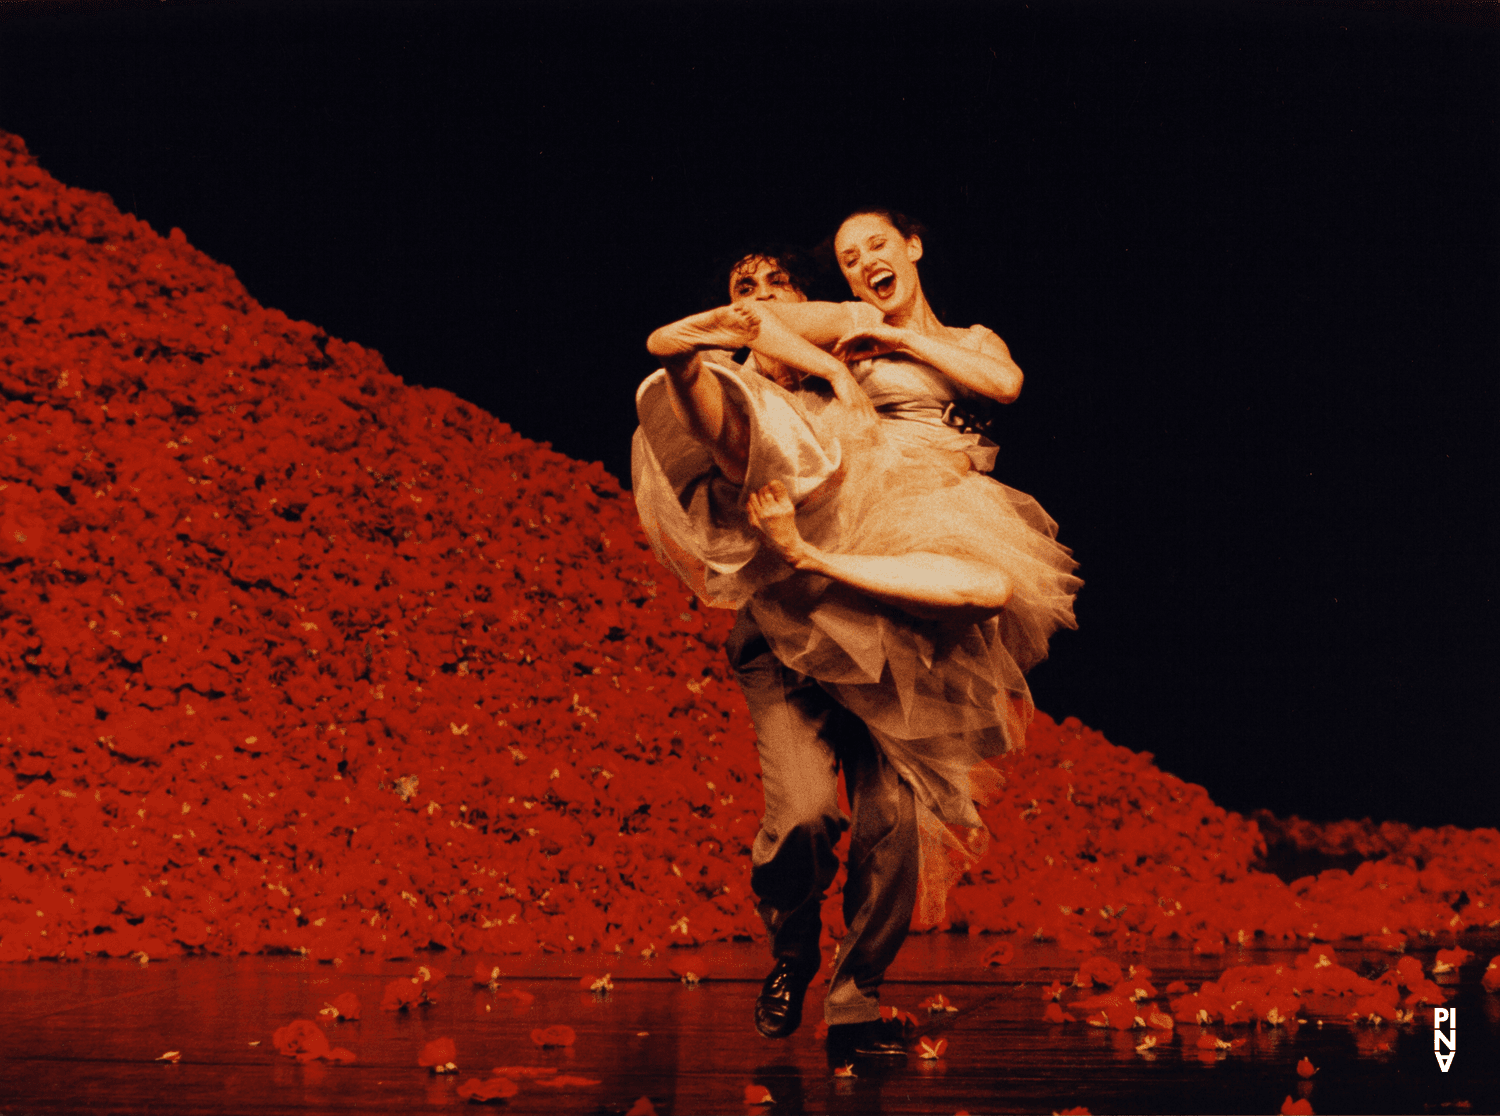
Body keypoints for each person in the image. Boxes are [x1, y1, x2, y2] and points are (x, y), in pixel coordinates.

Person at [631, 220, 1079, 1059]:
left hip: (912, 556)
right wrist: (828, 354)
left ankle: (855, 998)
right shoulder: (822, 329)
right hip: (808, 581)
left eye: (873, 246)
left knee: (895, 820)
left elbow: (1005, 384)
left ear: (913, 244)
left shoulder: (962, 338)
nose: (862, 263)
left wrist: (876, 339)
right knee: (801, 816)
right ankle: (793, 949)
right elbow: (768, 329)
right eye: (844, 259)